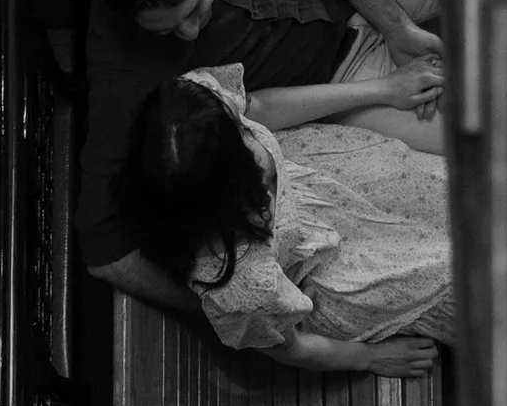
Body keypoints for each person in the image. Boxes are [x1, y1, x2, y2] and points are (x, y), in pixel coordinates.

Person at [76, 0, 446, 372]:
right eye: (166, 30)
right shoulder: (120, 73)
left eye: (195, 8)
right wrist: (236, 308)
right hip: (334, 84)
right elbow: (104, 252)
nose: (188, 34)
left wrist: (397, 26)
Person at [115, 64, 451, 375]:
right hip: (339, 270)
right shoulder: (243, 285)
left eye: (243, 134)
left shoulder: (191, 115)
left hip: (333, 175)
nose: (255, 141)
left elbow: (260, 107)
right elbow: (290, 347)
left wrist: (384, 89)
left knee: (462, 194)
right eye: (249, 156)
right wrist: (368, 357)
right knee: (462, 274)